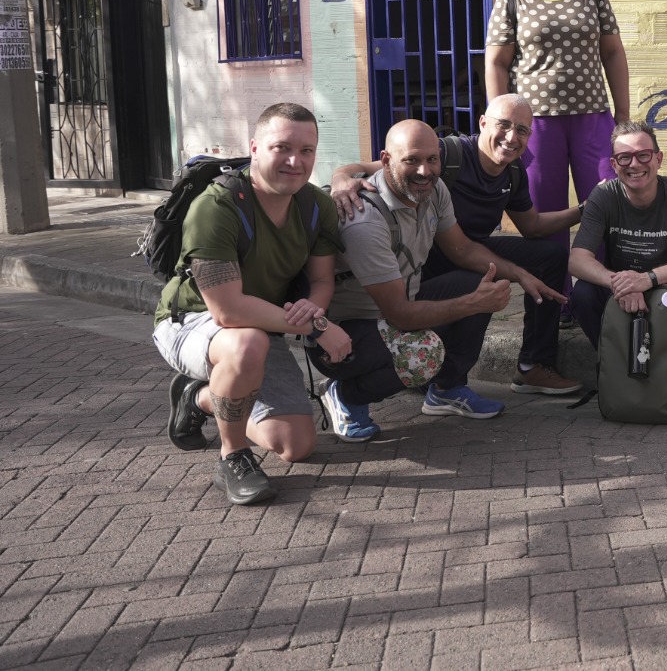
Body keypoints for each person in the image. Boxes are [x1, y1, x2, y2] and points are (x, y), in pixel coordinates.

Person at [317, 121, 561, 441]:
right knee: (422, 354)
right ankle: (346, 394)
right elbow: (400, 314)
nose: (424, 170)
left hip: (395, 309)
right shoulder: (364, 217)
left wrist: (517, 273)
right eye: (412, 160)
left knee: (481, 279)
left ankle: (447, 389)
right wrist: (474, 304)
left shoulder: (434, 190)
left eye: (432, 160)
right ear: (386, 160)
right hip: (342, 333)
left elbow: (462, 250)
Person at [154, 103, 346, 506]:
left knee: (296, 445)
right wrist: (319, 328)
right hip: (192, 321)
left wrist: (314, 310)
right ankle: (233, 457)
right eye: (282, 148)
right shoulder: (217, 206)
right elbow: (228, 312)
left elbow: (322, 280)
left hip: (260, 324)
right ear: (255, 148)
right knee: (246, 345)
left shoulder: (315, 205)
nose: (296, 161)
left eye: (307, 150)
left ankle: (199, 397)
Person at [484, 0, 630, 295]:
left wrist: (623, 116)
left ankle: (602, 289)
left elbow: (613, 53)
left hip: (593, 117)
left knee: (605, 199)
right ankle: (557, 297)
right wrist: (501, 122)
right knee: (545, 213)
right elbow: (497, 62)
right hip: (536, 125)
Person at [568, 122, 667, 345]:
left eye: (644, 155)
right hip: (621, 290)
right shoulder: (603, 196)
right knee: (583, 293)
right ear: (614, 164)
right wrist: (621, 284)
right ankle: (613, 363)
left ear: (659, 159)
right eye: (625, 157)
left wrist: (648, 279)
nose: (634, 164)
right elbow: (577, 260)